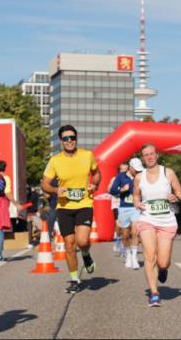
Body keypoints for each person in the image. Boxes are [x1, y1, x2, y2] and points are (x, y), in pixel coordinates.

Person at [41, 125, 100, 293]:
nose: (69, 141)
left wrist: (94, 184)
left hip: (84, 204)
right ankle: (75, 279)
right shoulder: (55, 160)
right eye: (66, 138)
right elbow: (44, 183)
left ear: (76, 139)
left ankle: (86, 255)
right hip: (64, 206)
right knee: (69, 245)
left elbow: (96, 173)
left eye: (72, 138)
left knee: (82, 241)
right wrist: (54, 190)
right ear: (61, 141)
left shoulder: (87, 155)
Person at [133, 143, 181, 307]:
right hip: (147, 219)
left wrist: (176, 197)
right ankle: (154, 293)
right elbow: (135, 196)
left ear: (157, 155)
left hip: (167, 221)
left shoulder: (168, 173)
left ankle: (163, 269)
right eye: (145, 155)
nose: (149, 157)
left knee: (163, 262)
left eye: (151, 154)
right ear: (143, 158)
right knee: (149, 256)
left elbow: (180, 193)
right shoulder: (139, 177)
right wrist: (137, 203)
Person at [109, 162, 133, 259]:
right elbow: (109, 190)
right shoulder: (115, 179)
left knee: (127, 228)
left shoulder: (131, 178)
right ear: (119, 170)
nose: (124, 171)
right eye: (122, 169)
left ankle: (124, 248)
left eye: (126, 169)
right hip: (117, 204)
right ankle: (118, 241)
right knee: (119, 226)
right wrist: (120, 189)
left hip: (127, 205)